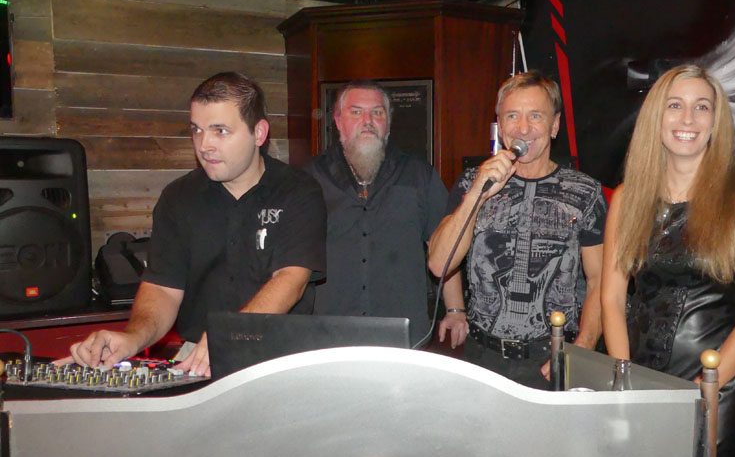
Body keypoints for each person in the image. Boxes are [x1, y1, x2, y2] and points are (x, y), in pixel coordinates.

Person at [60, 72, 326, 376]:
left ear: (259, 133)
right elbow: (163, 289)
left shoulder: (297, 190)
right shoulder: (178, 197)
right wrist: (132, 337)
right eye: (196, 130)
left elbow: (291, 279)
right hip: (199, 355)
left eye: (220, 131)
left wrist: (230, 335)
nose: (204, 145)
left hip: (282, 356)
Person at [600, 64, 735, 457]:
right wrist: (625, 385)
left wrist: (706, 388)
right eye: (675, 106)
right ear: (656, 118)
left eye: (702, 107)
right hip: (640, 391)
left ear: (715, 122)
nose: (688, 119)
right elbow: (611, 299)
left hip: (714, 396)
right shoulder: (627, 198)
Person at [428, 70, 606, 389]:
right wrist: (478, 193)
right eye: (512, 116)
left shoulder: (585, 191)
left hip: (552, 356)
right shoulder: (471, 183)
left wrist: (583, 347)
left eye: (535, 116)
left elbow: (599, 280)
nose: (523, 128)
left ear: (554, 126)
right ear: (500, 125)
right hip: (483, 356)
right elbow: (440, 265)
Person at [306, 80, 452, 344]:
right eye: (356, 112)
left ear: (388, 122)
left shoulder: (419, 175)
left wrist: (455, 309)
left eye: (377, 112)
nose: (367, 121)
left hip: (404, 330)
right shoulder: (311, 179)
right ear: (338, 121)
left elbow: (447, 243)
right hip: (330, 333)